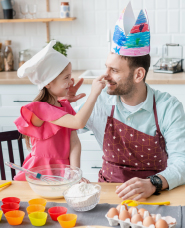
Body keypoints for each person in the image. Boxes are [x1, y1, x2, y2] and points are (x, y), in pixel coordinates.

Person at [66, 3, 185, 200]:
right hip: (107, 194)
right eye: (106, 67)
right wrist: (60, 104)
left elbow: (182, 161)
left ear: (138, 75)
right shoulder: (100, 101)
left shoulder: (168, 107)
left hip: (155, 196)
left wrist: (154, 183)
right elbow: (60, 131)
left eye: (114, 70)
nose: (105, 76)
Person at [13, 40, 106, 181]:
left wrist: (75, 173)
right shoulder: (40, 108)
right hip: (40, 171)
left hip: (63, 169)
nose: (71, 81)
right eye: (66, 77)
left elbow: (74, 142)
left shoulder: (65, 105)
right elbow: (78, 122)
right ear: (49, 83)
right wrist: (94, 94)